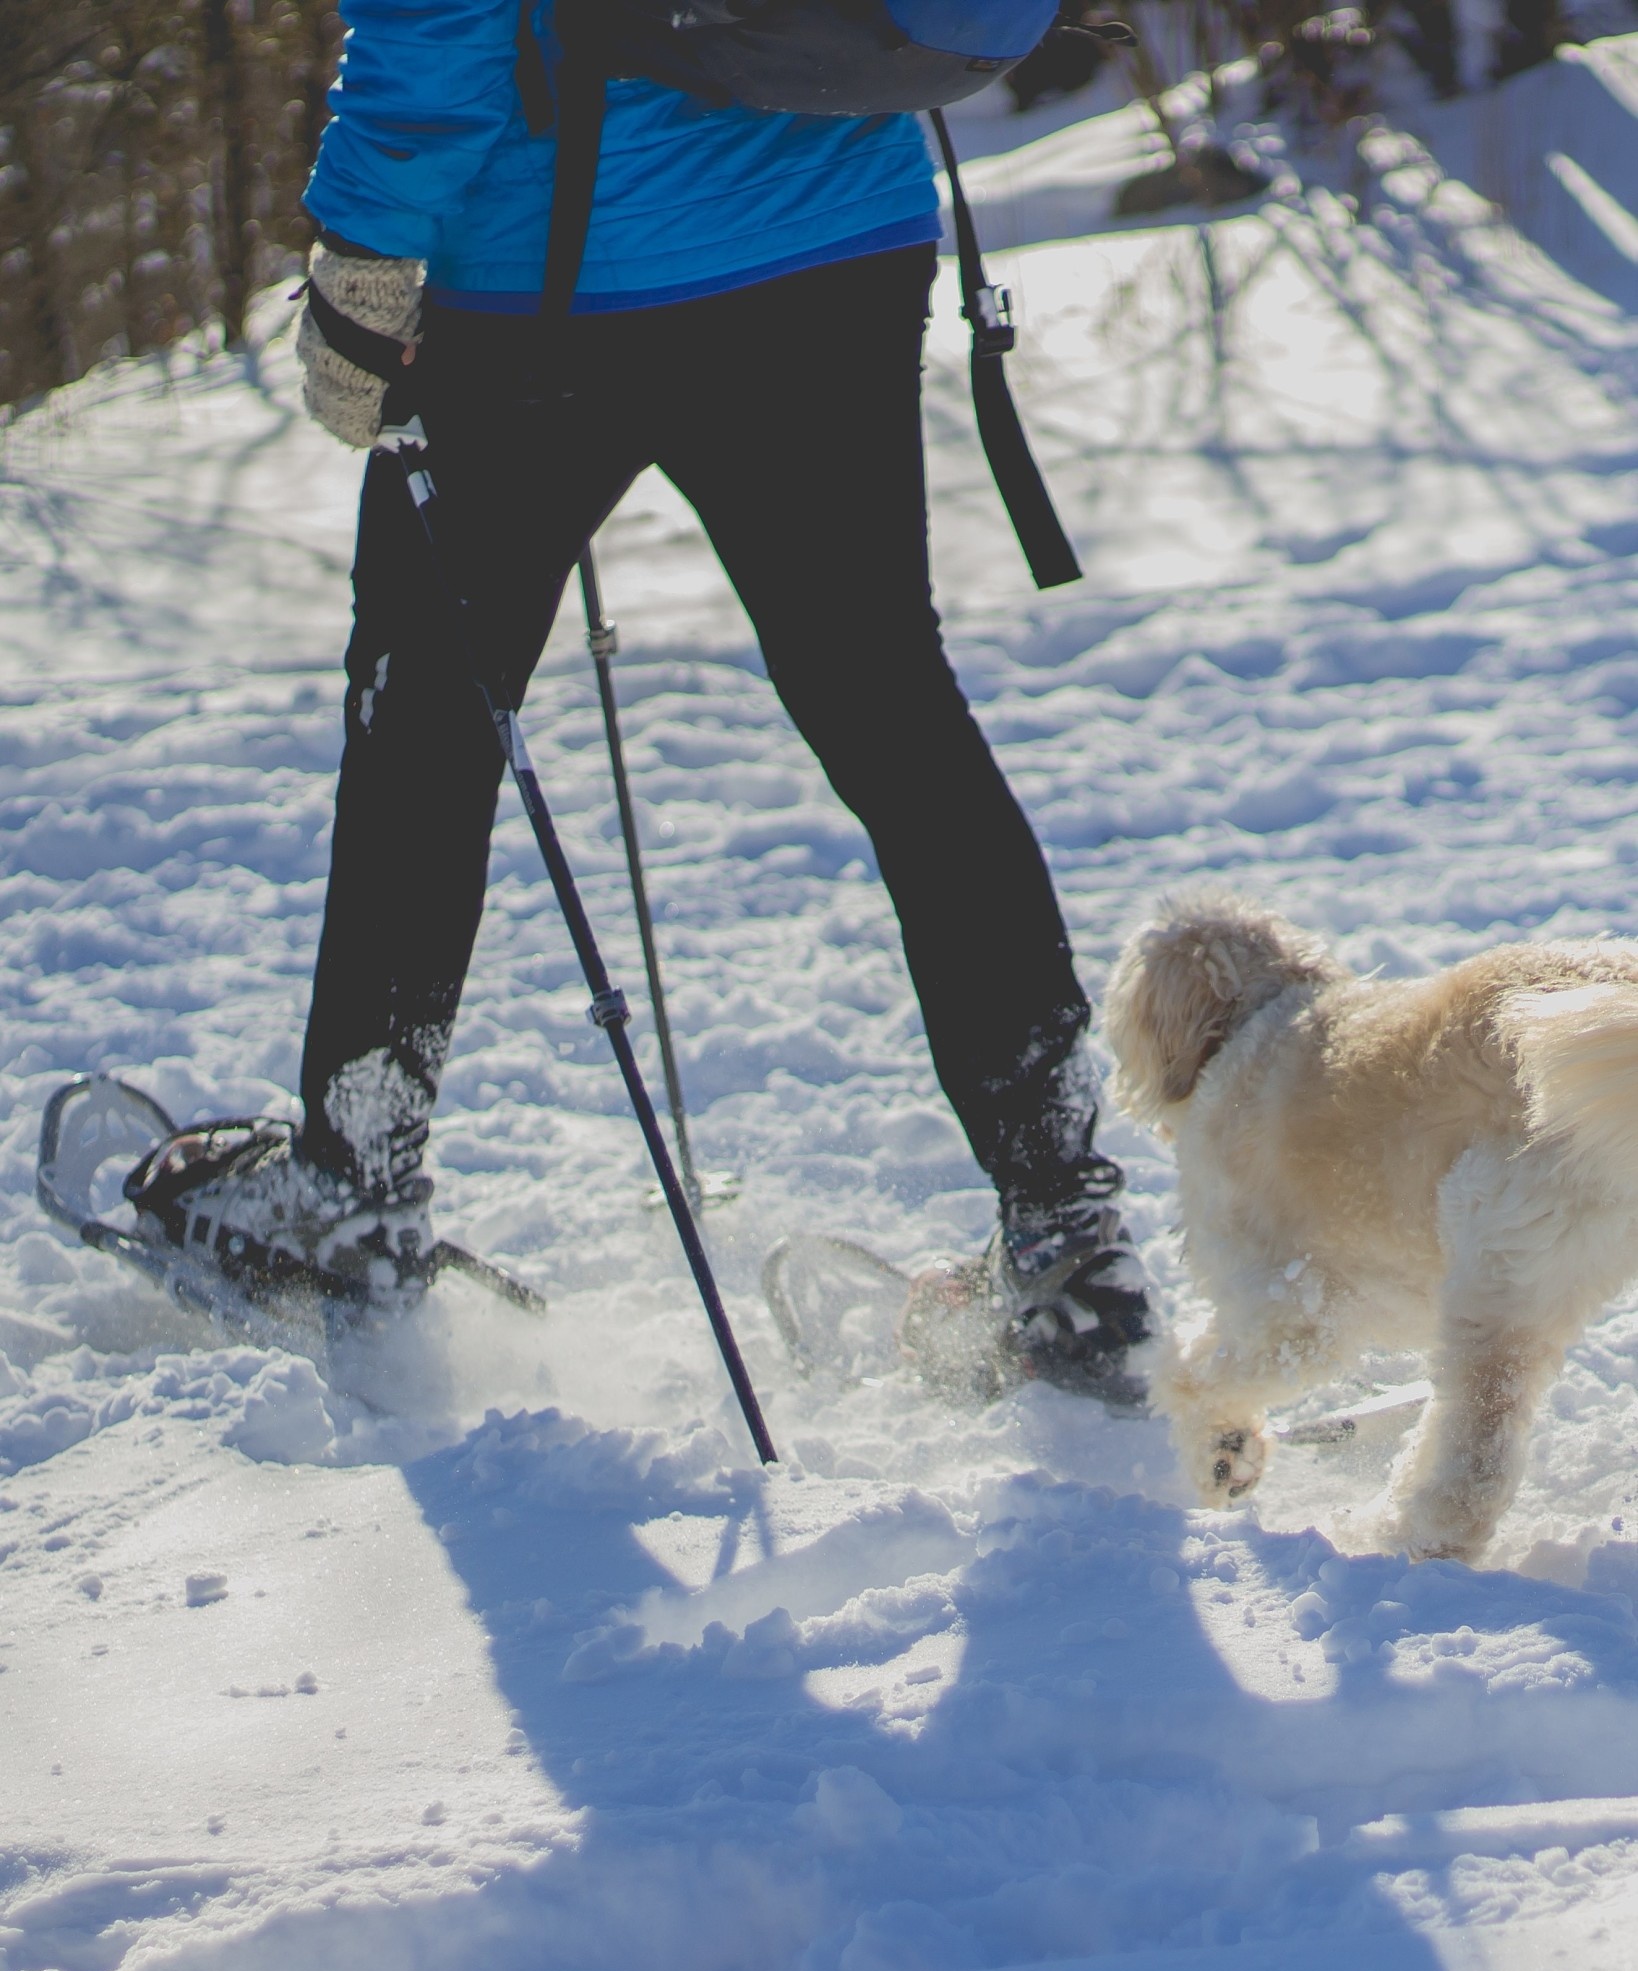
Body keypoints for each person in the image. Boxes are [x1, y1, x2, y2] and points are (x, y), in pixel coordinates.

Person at [126, 0, 1163, 1398]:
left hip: (534, 289)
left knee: (428, 727)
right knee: (893, 718)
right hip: (831, 242)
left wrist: (368, 251)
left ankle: (351, 1195)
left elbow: (437, 21)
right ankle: (1066, 1239)